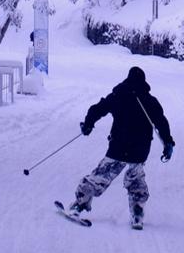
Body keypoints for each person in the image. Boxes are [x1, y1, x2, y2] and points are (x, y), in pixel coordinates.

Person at [69, 66, 174, 230]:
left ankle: (79, 205)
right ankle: (137, 213)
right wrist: (168, 143)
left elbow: (98, 108)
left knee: (100, 176)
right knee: (136, 180)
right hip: (139, 151)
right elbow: (162, 122)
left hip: (119, 147)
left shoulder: (118, 95)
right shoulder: (150, 101)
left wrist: (88, 124)